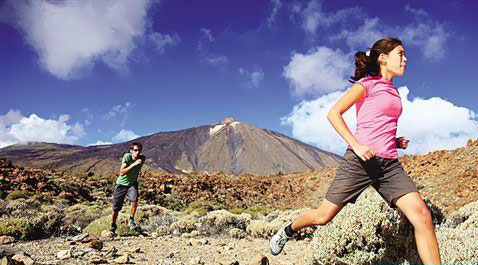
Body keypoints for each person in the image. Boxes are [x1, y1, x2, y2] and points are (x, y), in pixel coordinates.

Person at [269, 38, 441, 264]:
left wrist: (395, 141)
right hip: (360, 162)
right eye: (400, 54)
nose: (405, 59)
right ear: (383, 58)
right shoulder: (366, 84)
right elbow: (334, 113)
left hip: (389, 166)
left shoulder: (394, 91)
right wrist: (357, 144)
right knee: (322, 217)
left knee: (423, 216)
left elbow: (379, 123)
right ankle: (288, 230)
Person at [110, 142, 145, 234]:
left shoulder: (142, 158)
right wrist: (134, 164)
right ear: (131, 151)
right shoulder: (127, 157)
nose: (137, 152)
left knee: (134, 200)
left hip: (132, 184)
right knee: (116, 208)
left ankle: (131, 219)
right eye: (135, 150)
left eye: (139, 150)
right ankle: (113, 225)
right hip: (121, 184)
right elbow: (121, 172)